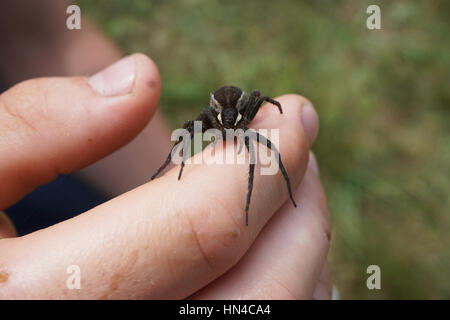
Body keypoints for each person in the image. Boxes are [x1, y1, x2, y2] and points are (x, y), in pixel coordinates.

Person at [0, 1, 331, 299]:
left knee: (264, 152)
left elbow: (35, 30)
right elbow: (195, 124)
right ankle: (172, 180)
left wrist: (172, 187)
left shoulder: (245, 115)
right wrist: (176, 167)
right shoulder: (211, 119)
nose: (230, 130)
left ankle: (271, 195)